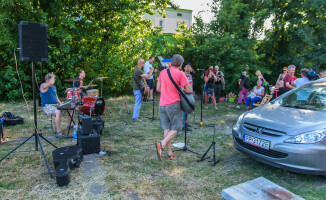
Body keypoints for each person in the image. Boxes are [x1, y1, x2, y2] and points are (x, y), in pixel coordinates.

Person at [155, 54, 192, 161]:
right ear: (180, 64)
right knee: (176, 128)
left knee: (167, 128)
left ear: (171, 63)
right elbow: (189, 90)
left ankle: (169, 154)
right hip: (173, 104)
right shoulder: (180, 74)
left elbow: (158, 88)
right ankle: (161, 144)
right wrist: (181, 90)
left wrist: (167, 89)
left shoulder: (162, 72)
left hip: (162, 104)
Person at [40, 73, 64, 138]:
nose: (54, 80)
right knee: (58, 112)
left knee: (70, 108)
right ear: (47, 79)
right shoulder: (43, 85)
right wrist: (53, 76)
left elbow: (56, 96)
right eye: (52, 79)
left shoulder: (53, 87)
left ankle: (71, 126)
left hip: (55, 105)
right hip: (47, 106)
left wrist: (60, 103)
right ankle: (58, 132)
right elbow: (50, 83)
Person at [182, 62, 193, 131]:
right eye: (187, 66)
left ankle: (186, 122)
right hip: (184, 95)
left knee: (188, 110)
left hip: (190, 95)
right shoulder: (182, 75)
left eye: (189, 66)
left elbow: (191, 85)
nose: (188, 67)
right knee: (184, 111)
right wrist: (186, 91)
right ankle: (183, 125)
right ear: (184, 67)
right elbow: (181, 86)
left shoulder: (191, 76)